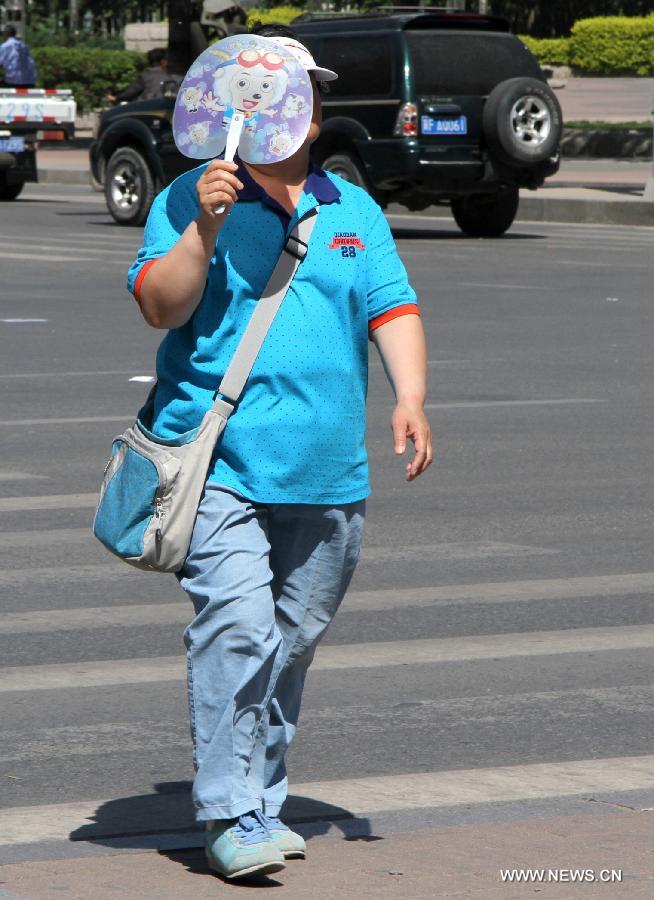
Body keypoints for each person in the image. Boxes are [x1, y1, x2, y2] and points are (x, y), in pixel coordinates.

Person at [127, 23, 432, 882]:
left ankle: (260, 796)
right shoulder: (191, 195)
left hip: (328, 472)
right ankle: (229, 811)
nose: (297, 109)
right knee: (239, 627)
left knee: (288, 644)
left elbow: (391, 305)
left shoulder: (351, 206)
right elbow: (159, 306)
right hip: (218, 461)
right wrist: (206, 230)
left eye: (308, 94)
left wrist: (410, 397)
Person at [107, 47, 179, 104]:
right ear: (163, 62)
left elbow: (132, 91)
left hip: (146, 108)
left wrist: (116, 97)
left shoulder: (146, 75)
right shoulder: (172, 77)